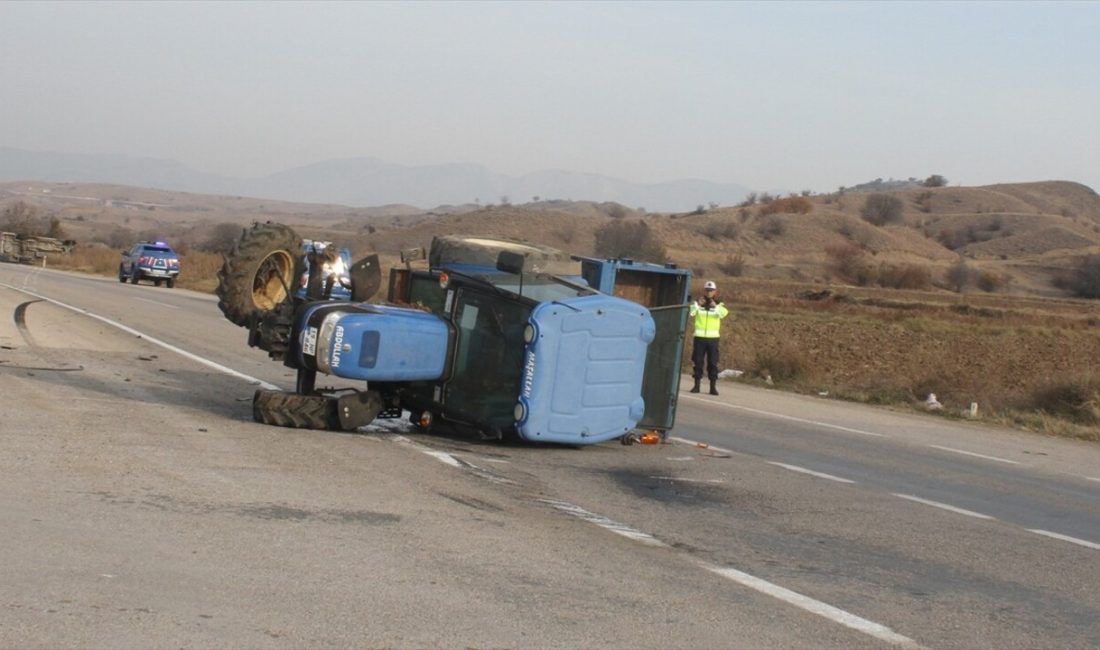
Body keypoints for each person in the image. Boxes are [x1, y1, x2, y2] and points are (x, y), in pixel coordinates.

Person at [688, 280, 728, 395]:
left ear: (715, 292)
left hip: (713, 339)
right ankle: (696, 385)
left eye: (711, 291)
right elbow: (691, 313)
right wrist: (698, 305)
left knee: (713, 362)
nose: (709, 293)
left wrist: (715, 307)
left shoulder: (719, 304)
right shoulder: (698, 303)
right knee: (697, 361)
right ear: (704, 291)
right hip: (699, 337)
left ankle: (713, 387)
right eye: (707, 290)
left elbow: (723, 314)